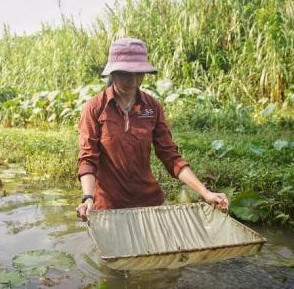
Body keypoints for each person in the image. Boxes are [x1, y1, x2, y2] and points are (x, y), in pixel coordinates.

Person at [76, 38, 228, 220]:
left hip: (149, 200)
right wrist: (88, 198)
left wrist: (206, 193)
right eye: (125, 74)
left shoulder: (152, 107)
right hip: (108, 205)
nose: (133, 80)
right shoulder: (95, 108)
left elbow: (170, 156)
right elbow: (88, 159)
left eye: (139, 74)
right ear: (113, 73)